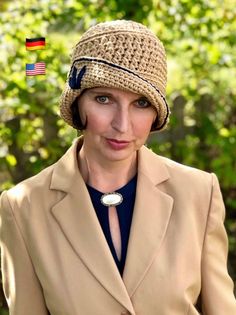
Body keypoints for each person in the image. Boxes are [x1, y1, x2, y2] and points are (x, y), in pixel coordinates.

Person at [0, 20, 235, 315]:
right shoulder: (23, 207)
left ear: (156, 113)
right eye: (103, 99)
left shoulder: (199, 194)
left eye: (140, 103)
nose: (122, 125)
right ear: (78, 104)